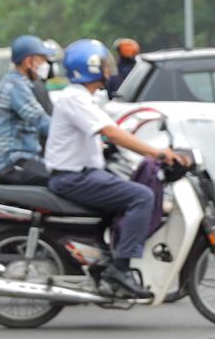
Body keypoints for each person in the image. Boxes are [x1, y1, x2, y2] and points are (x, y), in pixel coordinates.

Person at [44, 39, 190, 300]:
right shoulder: (75, 99)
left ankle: (107, 256)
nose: (108, 68)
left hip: (81, 174)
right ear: (88, 68)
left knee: (127, 189)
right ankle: (120, 268)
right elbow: (111, 132)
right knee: (141, 196)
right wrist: (155, 152)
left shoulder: (84, 98)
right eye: (103, 63)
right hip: (74, 178)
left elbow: (111, 130)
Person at [0, 35, 55, 184]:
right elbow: (42, 122)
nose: (45, 65)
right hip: (12, 162)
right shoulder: (15, 86)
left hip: (23, 159)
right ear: (28, 61)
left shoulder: (21, 83)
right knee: (63, 181)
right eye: (41, 59)